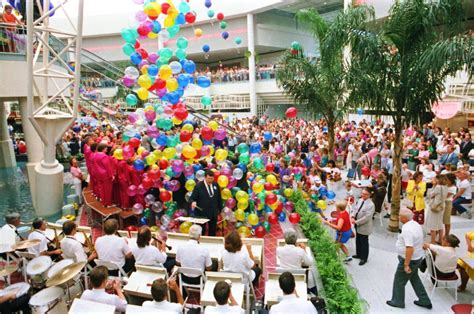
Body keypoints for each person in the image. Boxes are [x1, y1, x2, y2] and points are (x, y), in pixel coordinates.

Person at [386, 208, 432, 309]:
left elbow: (409, 248)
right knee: (414, 278)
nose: (398, 217)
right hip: (417, 258)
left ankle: (398, 301)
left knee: (399, 280)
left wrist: (406, 264)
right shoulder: (415, 224)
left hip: (409, 260)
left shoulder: (407, 230)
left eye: (399, 216)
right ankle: (424, 300)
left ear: (403, 218)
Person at [190, 169, 223, 236]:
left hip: (213, 213)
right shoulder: (198, 186)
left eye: (211, 178)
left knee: (212, 231)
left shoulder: (215, 185)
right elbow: (192, 198)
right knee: (202, 231)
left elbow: (219, 198)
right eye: (208, 178)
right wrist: (193, 202)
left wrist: (220, 210)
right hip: (202, 213)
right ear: (205, 177)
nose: (210, 180)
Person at [350, 188, 375, 266]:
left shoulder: (371, 205)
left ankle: (364, 258)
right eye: (362, 193)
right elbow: (355, 209)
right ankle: (358, 254)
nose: (363, 195)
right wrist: (353, 216)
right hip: (357, 225)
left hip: (364, 227)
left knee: (364, 242)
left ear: (369, 195)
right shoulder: (360, 200)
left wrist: (356, 222)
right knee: (358, 240)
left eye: (365, 194)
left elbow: (367, 218)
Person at [425, 175, 447, 244]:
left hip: (435, 206)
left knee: (433, 225)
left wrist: (433, 185)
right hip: (441, 206)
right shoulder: (446, 186)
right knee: (440, 224)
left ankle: (432, 241)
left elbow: (430, 195)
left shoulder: (437, 187)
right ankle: (440, 240)